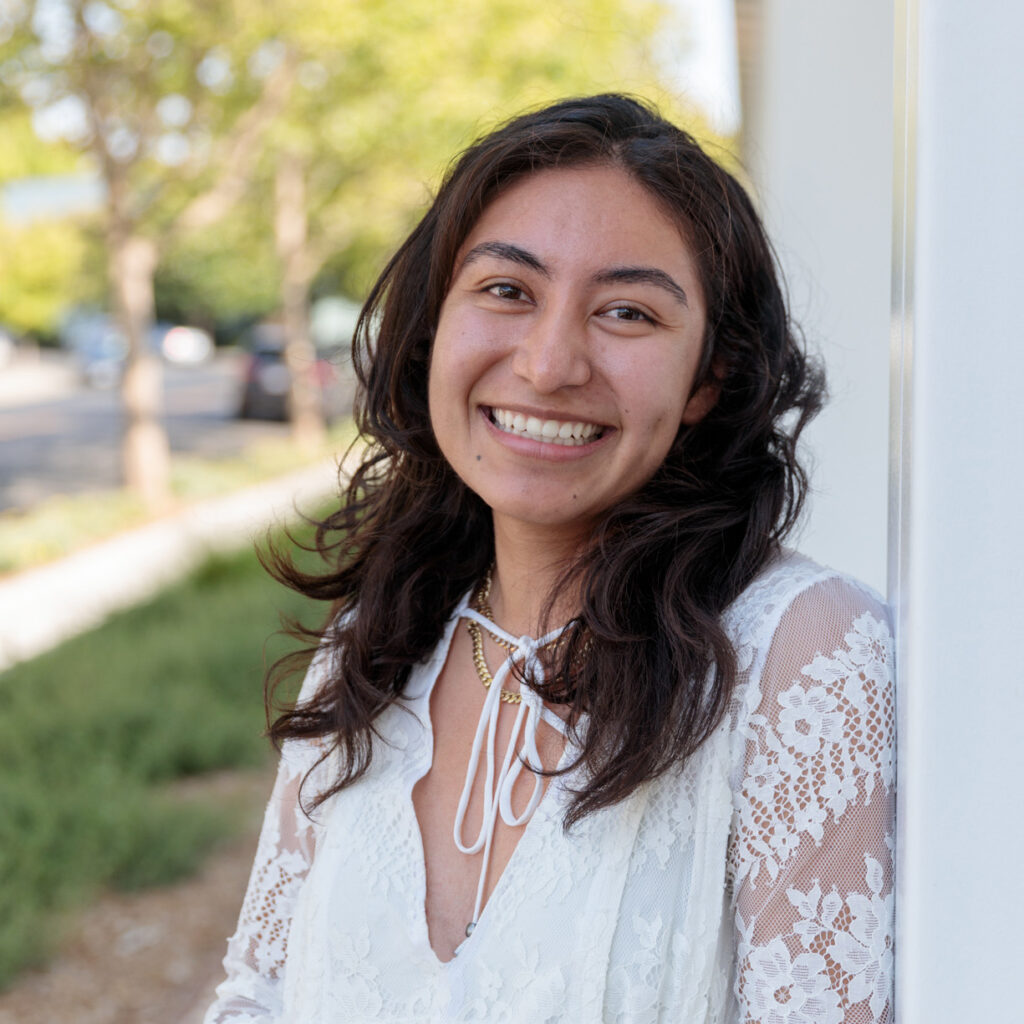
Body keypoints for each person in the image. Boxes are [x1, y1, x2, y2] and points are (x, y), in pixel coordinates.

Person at [204, 94, 895, 1023]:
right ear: (435, 324)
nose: (548, 362)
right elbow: (255, 997)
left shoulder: (803, 653)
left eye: (626, 311)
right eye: (507, 291)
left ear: (708, 380)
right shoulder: (372, 642)